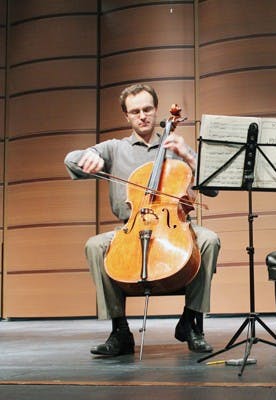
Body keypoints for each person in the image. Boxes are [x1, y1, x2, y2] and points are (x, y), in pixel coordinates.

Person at [64, 83, 220, 356]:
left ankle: (191, 322)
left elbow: (213, 187)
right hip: (130, 229)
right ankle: (120, 330)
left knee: (209, 240)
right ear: (126, 115)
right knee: (94, 245)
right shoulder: (114, 148)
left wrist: (188, 156)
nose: (143, 115)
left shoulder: (175, 146)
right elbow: (71, 160)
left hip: (173, 227)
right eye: (135, 111)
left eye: (147, 109)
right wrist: (86, 157)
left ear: (156, 110)